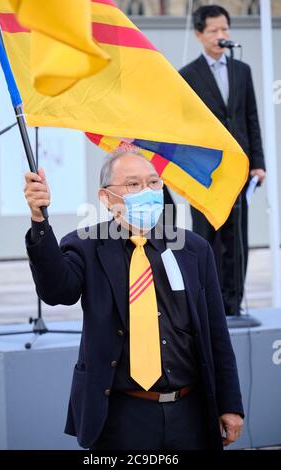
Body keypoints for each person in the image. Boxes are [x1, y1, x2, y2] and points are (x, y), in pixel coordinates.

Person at [24, 149, 244, 450]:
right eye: (133, 185)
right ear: (106, 197)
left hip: (190, 412)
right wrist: (39, 220)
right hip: (121, 414)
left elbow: (217, 333)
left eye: (153, 183)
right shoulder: (86, 245)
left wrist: (230, 404)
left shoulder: (193, 249)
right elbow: (57, 291)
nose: (147, 192)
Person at [179, 5, 266, 316]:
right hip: (205, 172)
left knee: (236, 238)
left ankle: (234, 302)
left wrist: (258, 162)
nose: (221, 36)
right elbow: (184, 128)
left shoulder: (241, 70)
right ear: (199, 35)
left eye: (225, 29)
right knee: (205, 236)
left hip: (239, 169)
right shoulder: (187, 75)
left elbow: (250, 118)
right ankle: (204, 302)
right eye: (214, 31)